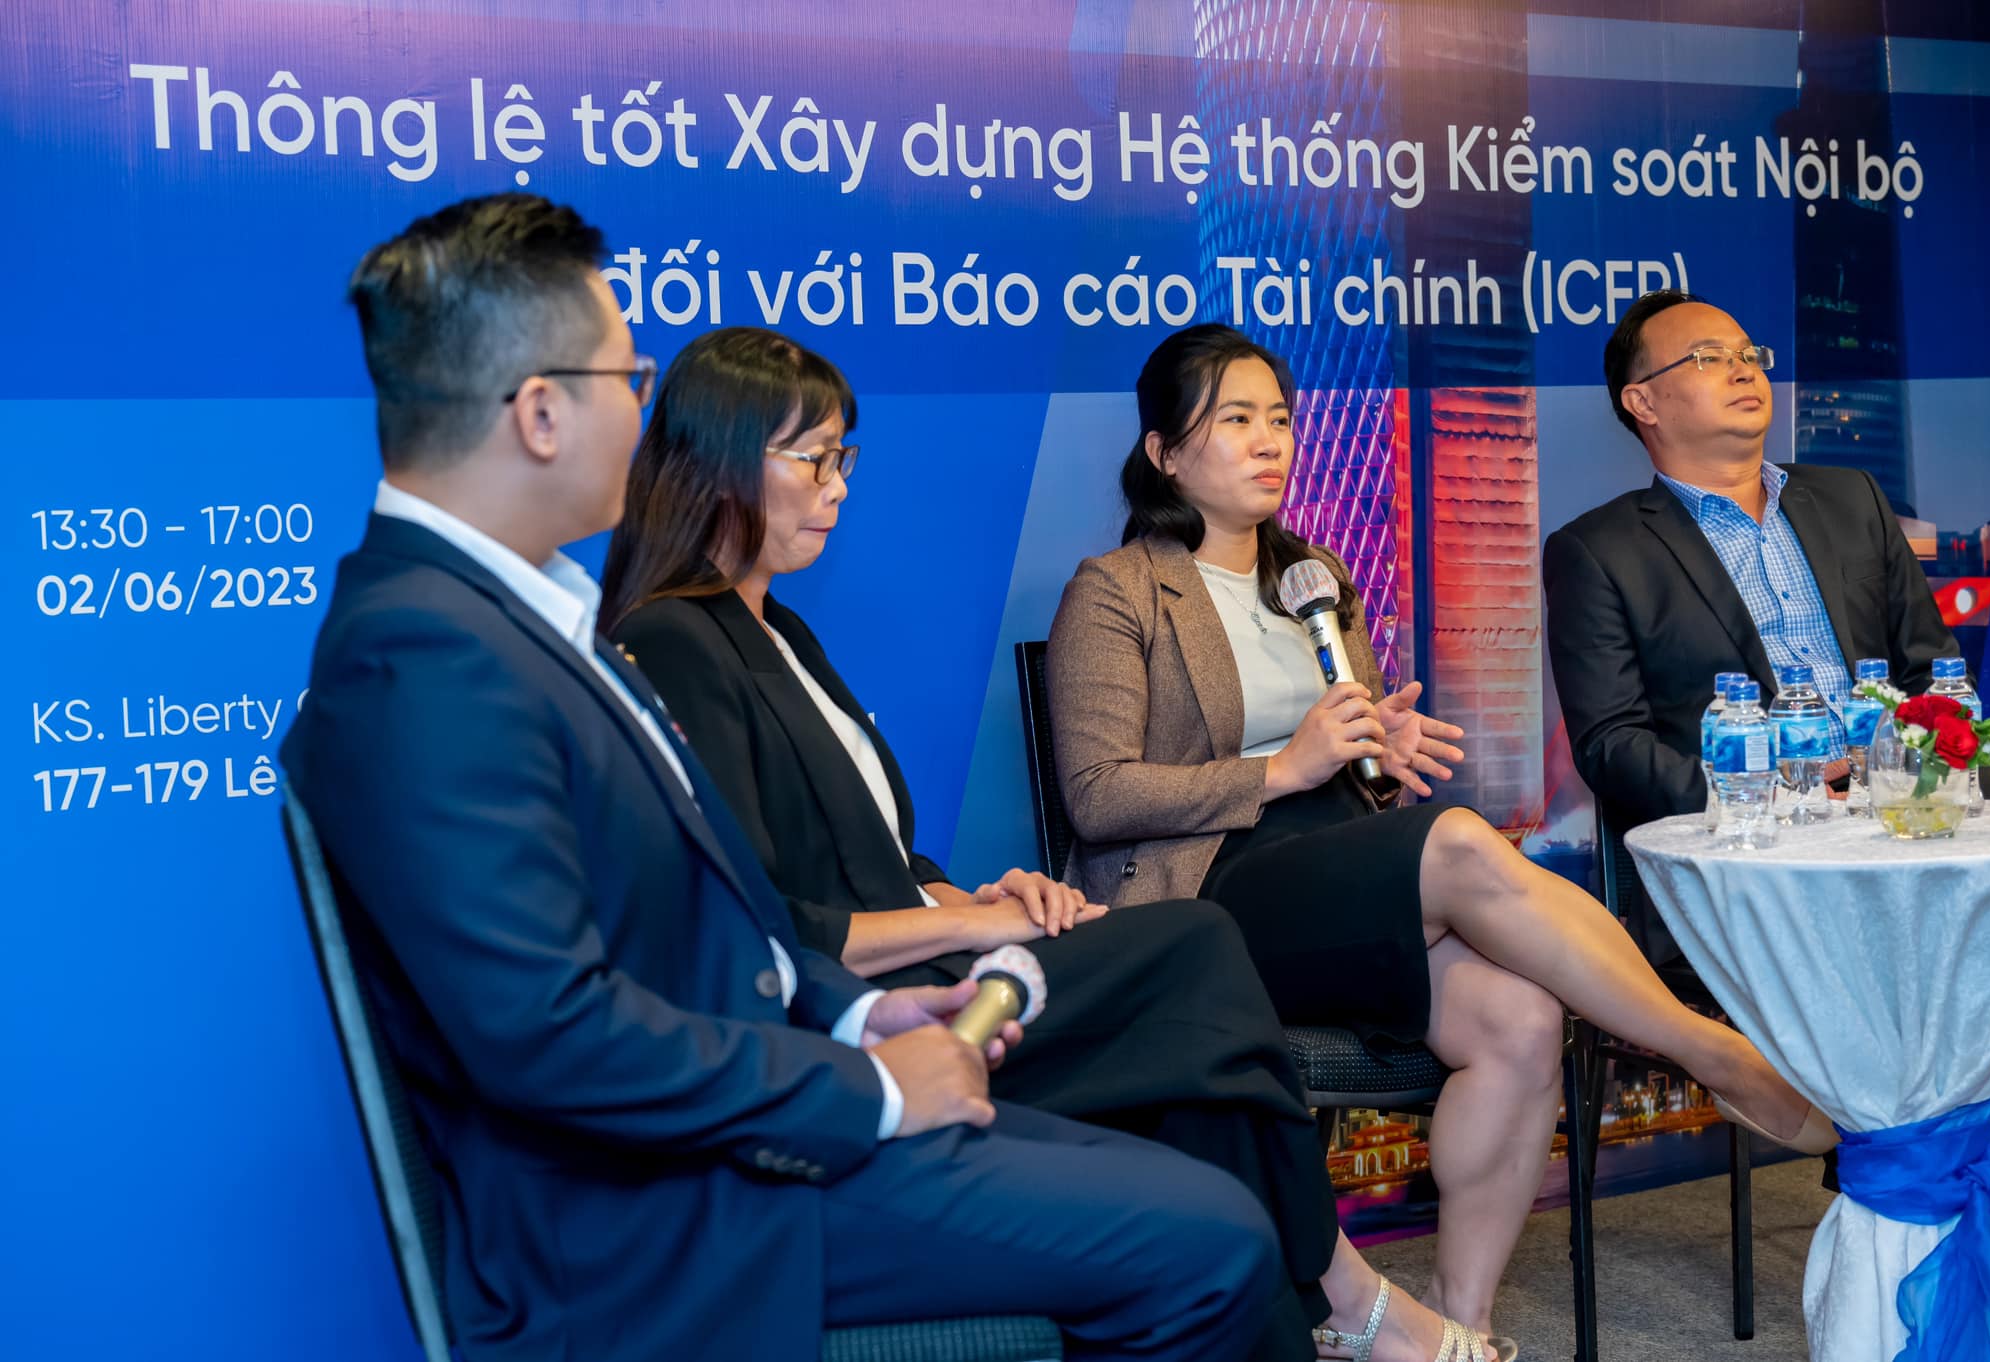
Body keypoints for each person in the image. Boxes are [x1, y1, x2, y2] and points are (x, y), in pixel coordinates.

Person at [279, 194, 1286, 1362]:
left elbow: (706, 928)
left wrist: (858, 1012)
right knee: (1206, 1242)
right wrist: (870, 1091)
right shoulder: (421, 657)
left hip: (737, 1132)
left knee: (1206, 1206)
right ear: (541, 412)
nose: (643, 413)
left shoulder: (513, 621)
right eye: (626, 378)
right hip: (664, 1215)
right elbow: (551, 1035)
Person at [599, 326, 1506, 1362]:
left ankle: (1312, 1319)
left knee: (1199, 1075)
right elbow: (764, 920)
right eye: (812, 459)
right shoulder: (675, 638)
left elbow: (877, 861)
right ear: (718, 461)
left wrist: (980, 895)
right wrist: (970, 926)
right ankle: (1348, 1295)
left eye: (843, 457)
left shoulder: (780, 631)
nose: (838, 485)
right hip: (879, 1012)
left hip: (943, 954)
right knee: (1191, 950)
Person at [1045, 321, 1838, 1346]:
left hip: (1331, 875)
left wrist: (1382, 746)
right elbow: (1097, 796)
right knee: (1460, 841)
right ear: (1163, 451)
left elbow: (1356, 774)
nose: (1268, 441)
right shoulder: (1115, 590)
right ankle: (1712, 1055)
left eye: (1278, 418)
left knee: (1519, 1020)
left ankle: (1458, 1332)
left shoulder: (1314, 580)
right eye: (1235, 420)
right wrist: (1283, 767)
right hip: (1208, 895)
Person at [1542, 288, 1990, 1139]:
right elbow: (1612, 745)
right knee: (1914, 976)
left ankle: (1946, 1181)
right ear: (1644, 402)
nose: (1744, 370)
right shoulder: (1600, 550)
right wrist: (1772, 793)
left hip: (1904, 826)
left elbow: (1932, 671)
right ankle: (1950, 1183)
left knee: (1981, 946)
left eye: (1749, 354)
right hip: (1758, 864)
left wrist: (1914, 779)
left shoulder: (1851, 500)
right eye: (1709, 358)